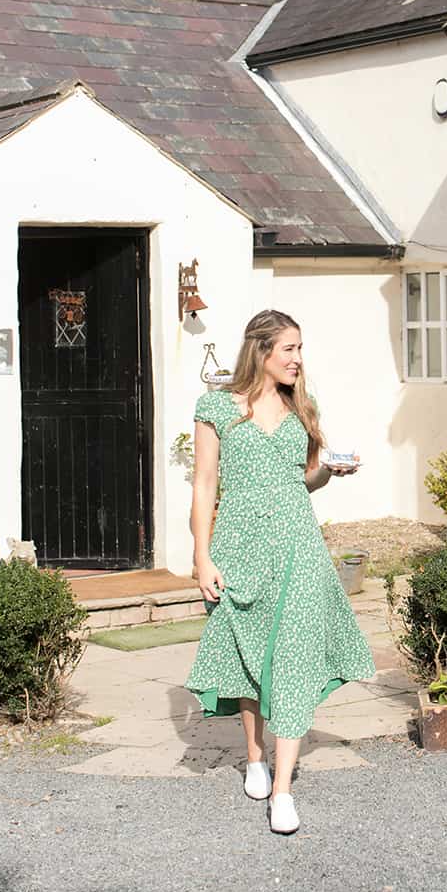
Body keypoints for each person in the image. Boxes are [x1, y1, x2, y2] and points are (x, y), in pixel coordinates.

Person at [184, 309, 375, 834]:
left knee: (292, 658)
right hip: (239, 547)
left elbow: (302, 480)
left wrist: (328, 473)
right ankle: (254, 755)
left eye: (300, 349)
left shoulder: (302, 408)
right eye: (289, 348)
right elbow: (204, 485)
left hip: (298, 548)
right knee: (250, 657)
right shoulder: (216, 408)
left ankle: (284, 791)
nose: (297, 359)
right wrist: (202, 555)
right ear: (261, 350)